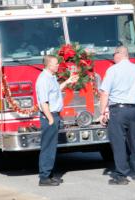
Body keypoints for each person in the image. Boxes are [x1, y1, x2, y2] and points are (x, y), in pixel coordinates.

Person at [99, 46, 135, 185]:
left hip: (117, 111)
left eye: (114, 54)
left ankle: (121, 176)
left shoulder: (112, 70)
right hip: (134, 110)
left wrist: (102, 111)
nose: (112, 57)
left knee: (118, 144)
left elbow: (105, 93)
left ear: (119, 54)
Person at [36, 55, 78, 186]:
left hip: (54, 115)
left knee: (52, 147)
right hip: (50, 116)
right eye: (55, 64)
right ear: (48, 65)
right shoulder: (43, 79)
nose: (58, 65)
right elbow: (44, 101)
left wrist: (68, 81)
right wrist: (50, 119)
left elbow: (55, 91)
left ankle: (49, 174)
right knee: (48, 147)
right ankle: (44, 178)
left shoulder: (51, 78)